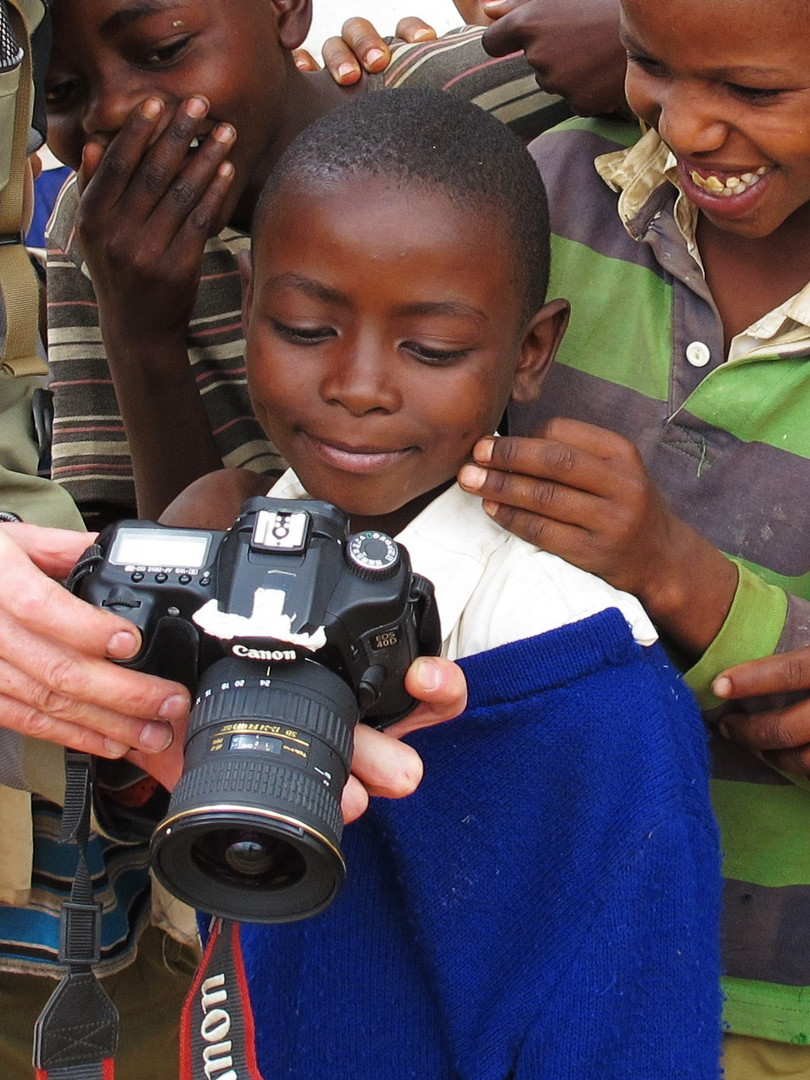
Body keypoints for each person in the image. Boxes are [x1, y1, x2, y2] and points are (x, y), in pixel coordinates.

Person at [169, 87, 721, 1078]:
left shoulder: (583, 676)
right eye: (302, 326)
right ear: (247, 303)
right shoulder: (225, 562)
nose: (360, 385)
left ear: (531, 352)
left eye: (429, 348)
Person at [423, 0, 810, 1073]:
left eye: (753, 90)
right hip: (501, 926)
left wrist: (680, 578)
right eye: (650, 64)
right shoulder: (552, 193)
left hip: (762, 1000)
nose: (684, 128)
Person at [42, 0, 570, 528]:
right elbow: (145, 554)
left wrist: (612, 32)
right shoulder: (96, 230)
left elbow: (645, 61)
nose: (109, 111)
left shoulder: (486, 94)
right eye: (58, 90)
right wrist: (140, 334)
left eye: (164, 49)